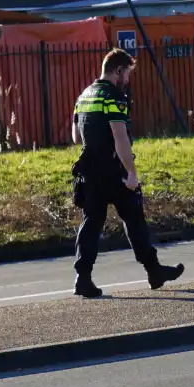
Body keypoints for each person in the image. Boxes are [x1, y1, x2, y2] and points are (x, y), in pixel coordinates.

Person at [71, 48, 184, 298]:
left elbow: (76, 136)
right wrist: (131, 172)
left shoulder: (85, 95)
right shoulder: (114, 97)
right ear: (119, 70)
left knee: (91, 223)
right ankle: (153, 270)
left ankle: (83, 278)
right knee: (133, 219)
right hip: (113, 171)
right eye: (128, 75)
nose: (128, 81)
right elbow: (120, 137)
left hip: (89, 169)